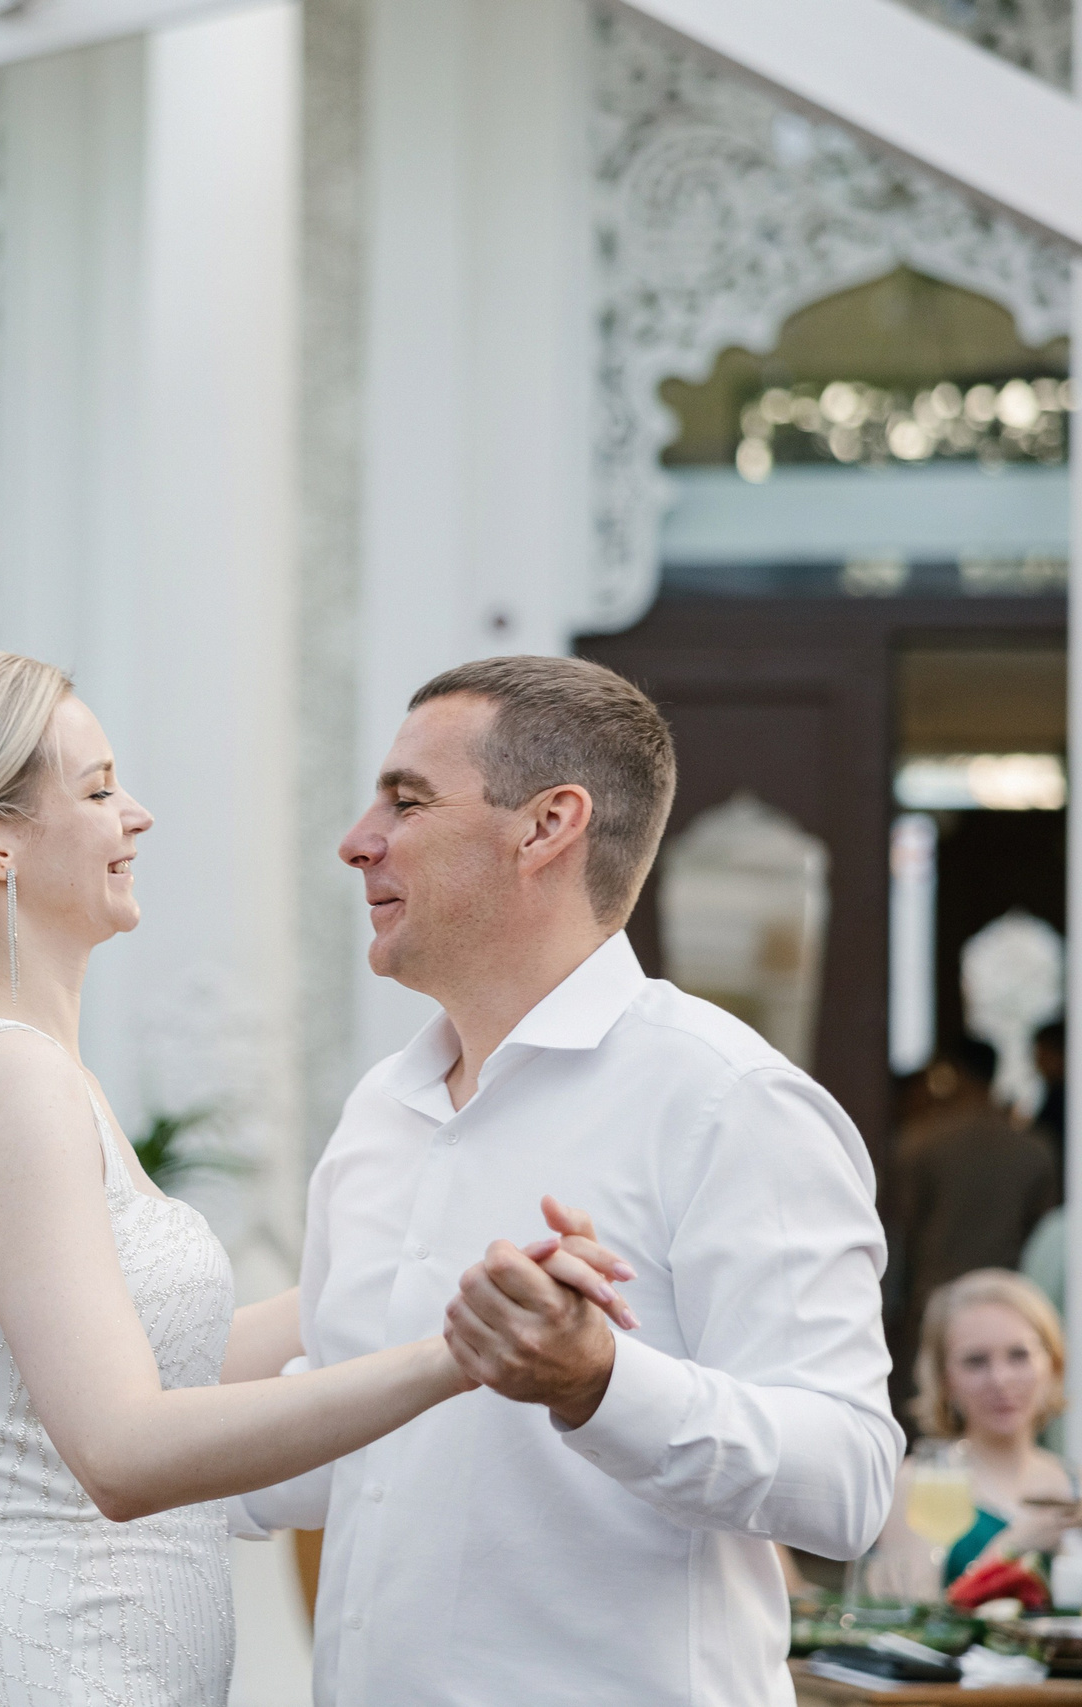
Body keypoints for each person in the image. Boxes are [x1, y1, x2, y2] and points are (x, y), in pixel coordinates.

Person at [0, 654, 628, 1706]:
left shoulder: (8, 1059)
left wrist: (454, 1272)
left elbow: (172, 1359)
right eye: (98, 789)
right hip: (66, 1668)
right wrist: (456, 1358)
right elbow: (122, 1452)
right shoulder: (12, 1077)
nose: (138, 814)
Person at [224, 655, 898, 1706]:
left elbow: (847, 1481)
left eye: (407, 801)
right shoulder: (379, 1114)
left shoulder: (727, 1101)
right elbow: (367, 1454)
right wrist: (80, 1469)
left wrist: (599, 1382)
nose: (356, 840)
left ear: (546, 826)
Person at [881, 1269, 1077, 1587]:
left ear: (1052, 1363)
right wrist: (1010, 1548)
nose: (1000, 1380)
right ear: (944, 1379)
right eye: (976, 1361)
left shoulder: (1073, 1483)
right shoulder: (920, 1482)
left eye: (1019, 1355)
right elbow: (913, 1608)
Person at [892, 1041, 1060, 1366]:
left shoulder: (920, 1142)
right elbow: (1044, 1232)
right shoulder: (1035, 1147)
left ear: (953, 1075)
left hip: (935, 1293)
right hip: (1009, 1294)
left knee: (935, 1386)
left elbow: (903, 1225)